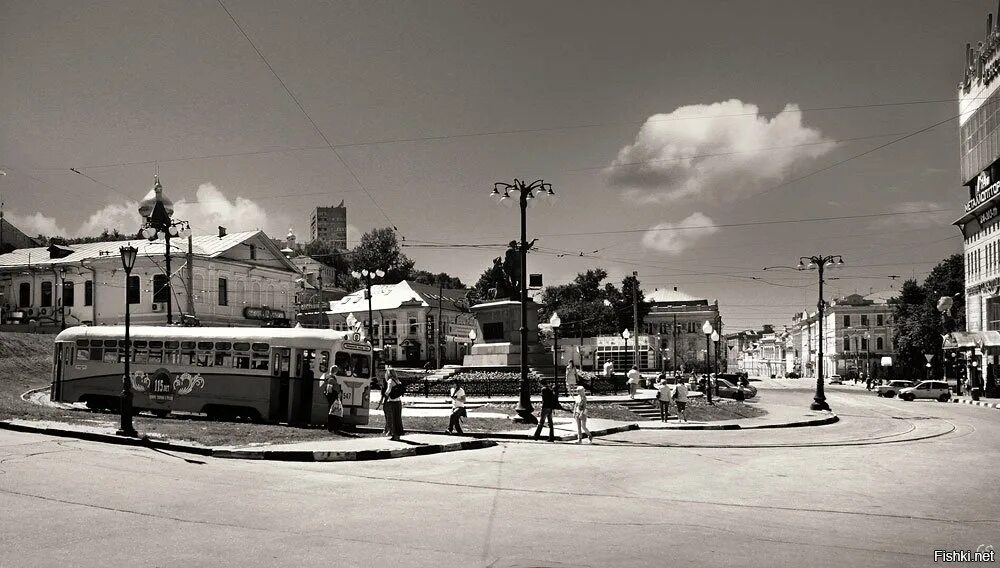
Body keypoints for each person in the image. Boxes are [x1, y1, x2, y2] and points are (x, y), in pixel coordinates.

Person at [382, 365, 404, 440]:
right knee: (398, 419)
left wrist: (385, 394)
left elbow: (388, 391)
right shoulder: (397, 380)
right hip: (398, 402)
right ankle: (398, 435)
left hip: (392, 402)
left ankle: (394, 434)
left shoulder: (390, 381)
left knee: (392, 419)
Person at [321, 369, 343, 433]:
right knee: (333, 412)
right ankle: (332, 427)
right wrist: (332, 396)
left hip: (332, 397)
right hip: (332, 397)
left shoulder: (330, 377)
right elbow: (329, 389)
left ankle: (332, 427)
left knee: (332, 412)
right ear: (335, 371)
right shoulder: (331, 379)